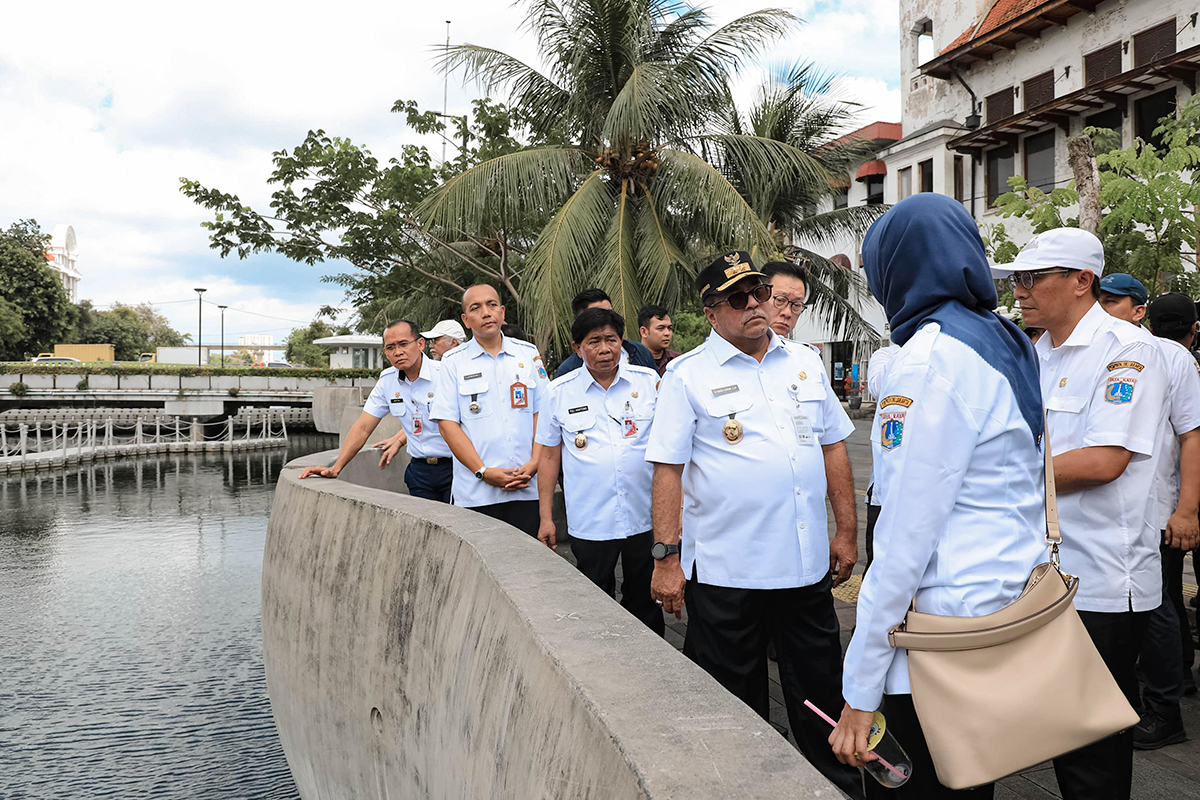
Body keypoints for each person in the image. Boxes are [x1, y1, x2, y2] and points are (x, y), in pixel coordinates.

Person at [830, 194, 1048, 798]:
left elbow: (903, 540)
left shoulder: (930, 359)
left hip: (937, 640)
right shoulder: (1004, 339)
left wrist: (860, 691)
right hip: (999, 613)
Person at [646, 250, 863, 798]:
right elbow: (668, 471)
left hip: (804, 565)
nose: (755, 305)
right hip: (727, 572)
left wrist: (846, 530)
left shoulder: (805, 363)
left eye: (760, 293)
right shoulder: (687, 376)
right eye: (737, 298)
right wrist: (666, 558)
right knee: (729, 699)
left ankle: (832, 785)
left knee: (818, 692)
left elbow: (834, 447)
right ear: (712, 311)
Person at [1000, 228, 1167, 799]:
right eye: (1016, 279)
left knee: (1090, 752)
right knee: (1051, 732)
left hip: (1097, 578)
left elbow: (1103, 460)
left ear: (1081, 281)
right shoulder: (1032, 351)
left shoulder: (1127, 349)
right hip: (1040, 573)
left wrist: (996, 483)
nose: (1020, 291)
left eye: (1032, 278)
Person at [535, 307, 664, 635]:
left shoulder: (649, 383)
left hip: (645, 517)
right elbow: (549, 457)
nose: (605, 349)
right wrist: (546, 517)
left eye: (611, 339)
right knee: (594, 597)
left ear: (623, 342)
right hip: (591, 520)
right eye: (594, 342)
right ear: (578, 349)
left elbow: (670, 451)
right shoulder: (559, 392)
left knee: (646, 597)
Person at [1131, 291, 1200, 747]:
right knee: (1163, 601)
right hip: (1146, 508)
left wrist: (1185, 511)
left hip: (1156, 508)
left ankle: (1165, 708)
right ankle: (1169, 688)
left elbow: (1192, 435)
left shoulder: (1166, 357)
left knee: (1157, 606)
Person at [430, 284, 545, 536]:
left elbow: (542, 414)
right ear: (466, 320)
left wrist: (535, 462)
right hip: (476, 494)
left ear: (502, 312)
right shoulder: (453, 362)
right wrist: (482, 472)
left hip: (528, 487)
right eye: (476, 308)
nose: (486, 312)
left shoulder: (528, 354)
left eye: (492, 305)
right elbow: (447, 424)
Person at [299, 320, 454, 502]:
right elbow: (363, 427)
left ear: (420, 344)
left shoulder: (445, 374)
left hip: (456, 468)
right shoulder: (387, 381)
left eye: (404, 344)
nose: (398, 352)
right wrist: (336, 467)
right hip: (420, 473)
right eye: (390, 347)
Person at [554, 289, 657, 376]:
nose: (605, 318)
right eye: (597, 314)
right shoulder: (568, 369)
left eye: (609, 312)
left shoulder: (640, 352)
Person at [861, 342, 900, 575]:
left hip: (926, 489)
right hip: (883, 491)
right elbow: (879, 387)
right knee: (878, 566)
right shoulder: (886, 354)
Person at [761, 260, 807, 338]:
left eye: (796, 305)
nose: (787, 313)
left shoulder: (801, 350)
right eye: (780, 300)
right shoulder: (735, 348)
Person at [637, 305, 680, 376]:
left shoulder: (678, 361)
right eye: (661, 328)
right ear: (644, 332)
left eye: (669, 328)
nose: (667, 333)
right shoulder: (631, 362)